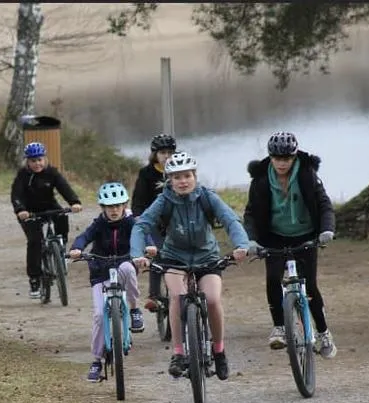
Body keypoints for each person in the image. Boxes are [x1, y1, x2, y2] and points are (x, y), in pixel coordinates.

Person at [130, 151, 249, 381]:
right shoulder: (163, 200)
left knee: (213, 299)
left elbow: (230, 220)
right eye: (176, 177)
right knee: (176, 297)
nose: (182, 181)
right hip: (174, 257)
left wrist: (241, 245)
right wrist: (137, 255)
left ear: (195, 176)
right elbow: (140, 226)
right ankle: (178, 353)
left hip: (207, 256)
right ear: (169, 180)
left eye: (187, 176)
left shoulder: (207, 197)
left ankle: (219, 351)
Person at [243, 131, 337, 358]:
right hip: (274, 236)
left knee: (311, 286)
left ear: (294, 157)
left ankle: (324, 333)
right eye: (277, 158)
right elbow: (251, 214)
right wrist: (252, 240)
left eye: (286, 158)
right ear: (270, 157)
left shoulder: (307, 174)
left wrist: (327, 230)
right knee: (273, 278)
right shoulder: (261, 179)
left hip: (305, 235)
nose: (281, 163)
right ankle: (279, 328)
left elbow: (324, 204)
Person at [69, 182, 156, 382]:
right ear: (103, 208)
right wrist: (77, 248)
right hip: (101, 271)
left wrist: (150, 247)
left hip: (125, 264)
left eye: (118, 205)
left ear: (125, 205)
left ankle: (134, 309)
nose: (114, 210)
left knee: (127, 268)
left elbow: (143, 234)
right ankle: (97, 360)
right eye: (110, 207)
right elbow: (84, 237)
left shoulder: (132, 222)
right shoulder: (99, 223)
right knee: (100, 315)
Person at [11, 142, 83, 299]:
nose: (37, 163)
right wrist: (20, 210)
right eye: (33, 161)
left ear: (45, 159)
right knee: (35, 241)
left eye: (40, 159)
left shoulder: (52, 173)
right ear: (27, 162)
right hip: (29, 211)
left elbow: (64, 187)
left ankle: (61, 248)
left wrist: (74, 202)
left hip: (49, 206)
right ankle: (35, 279)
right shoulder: (23, 175)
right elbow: (16, 195)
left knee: (62, 217)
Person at [131, 133, 177, 313]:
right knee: (157, 253)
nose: (167, 156)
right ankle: (154, 295)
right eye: (163, 152)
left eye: (170, 152)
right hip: (154, 222)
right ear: (155, 155)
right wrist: (138, 216)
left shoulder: (179, 171)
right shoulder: (147, 174)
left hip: (176, 221)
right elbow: (138, 200)